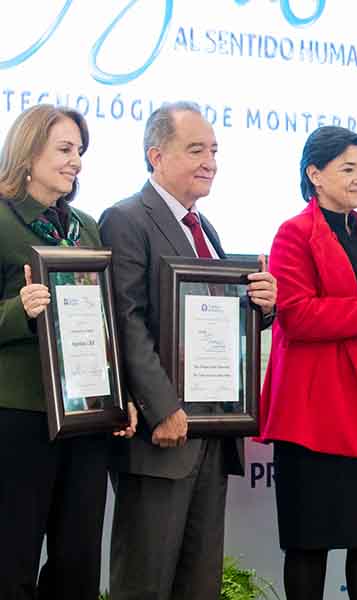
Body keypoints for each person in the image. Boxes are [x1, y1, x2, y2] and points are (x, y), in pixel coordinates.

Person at [99, 101, 277, 600]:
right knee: (145, 582)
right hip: (162, 437)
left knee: (198, 585)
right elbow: (125, 320)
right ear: (156, 155)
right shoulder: (126, 218)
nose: (211, 162)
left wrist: (262, 306)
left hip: (211, 434)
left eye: (214, 150)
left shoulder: (205, 228)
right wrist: (163, 408)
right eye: (196, 149)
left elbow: (213, 319)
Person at [257, 125, 357, 600]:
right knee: (311, 545)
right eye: (348, 169)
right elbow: (298, 315)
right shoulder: (293, 234)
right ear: (315, 174)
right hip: (316, 410)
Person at [0, 104, 136, 600]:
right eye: (63, 149)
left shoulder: (85, 225)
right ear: (28, 152)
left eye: (79, 150)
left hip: (85, 416)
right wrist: (19, 309)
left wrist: (122, 395)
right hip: (20, 415)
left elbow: (107, 321)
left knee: (78, 561)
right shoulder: (1, 219)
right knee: (11, 557)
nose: (75, 160)